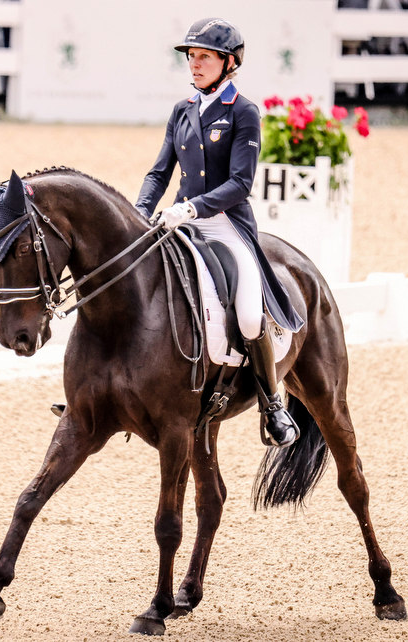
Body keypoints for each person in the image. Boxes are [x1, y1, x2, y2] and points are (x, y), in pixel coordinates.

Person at [135, 17, 304, 448]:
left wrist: (192, 206)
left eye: (204, 56)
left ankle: (273, 405)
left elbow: (240, 184)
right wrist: (140, 213)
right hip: (180, 221)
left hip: (226, 224)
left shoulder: (244, 112)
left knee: (249, 315)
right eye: (191, 57)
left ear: (229, 62)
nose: (194, 64)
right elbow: (159, 172)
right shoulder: (182, 111)